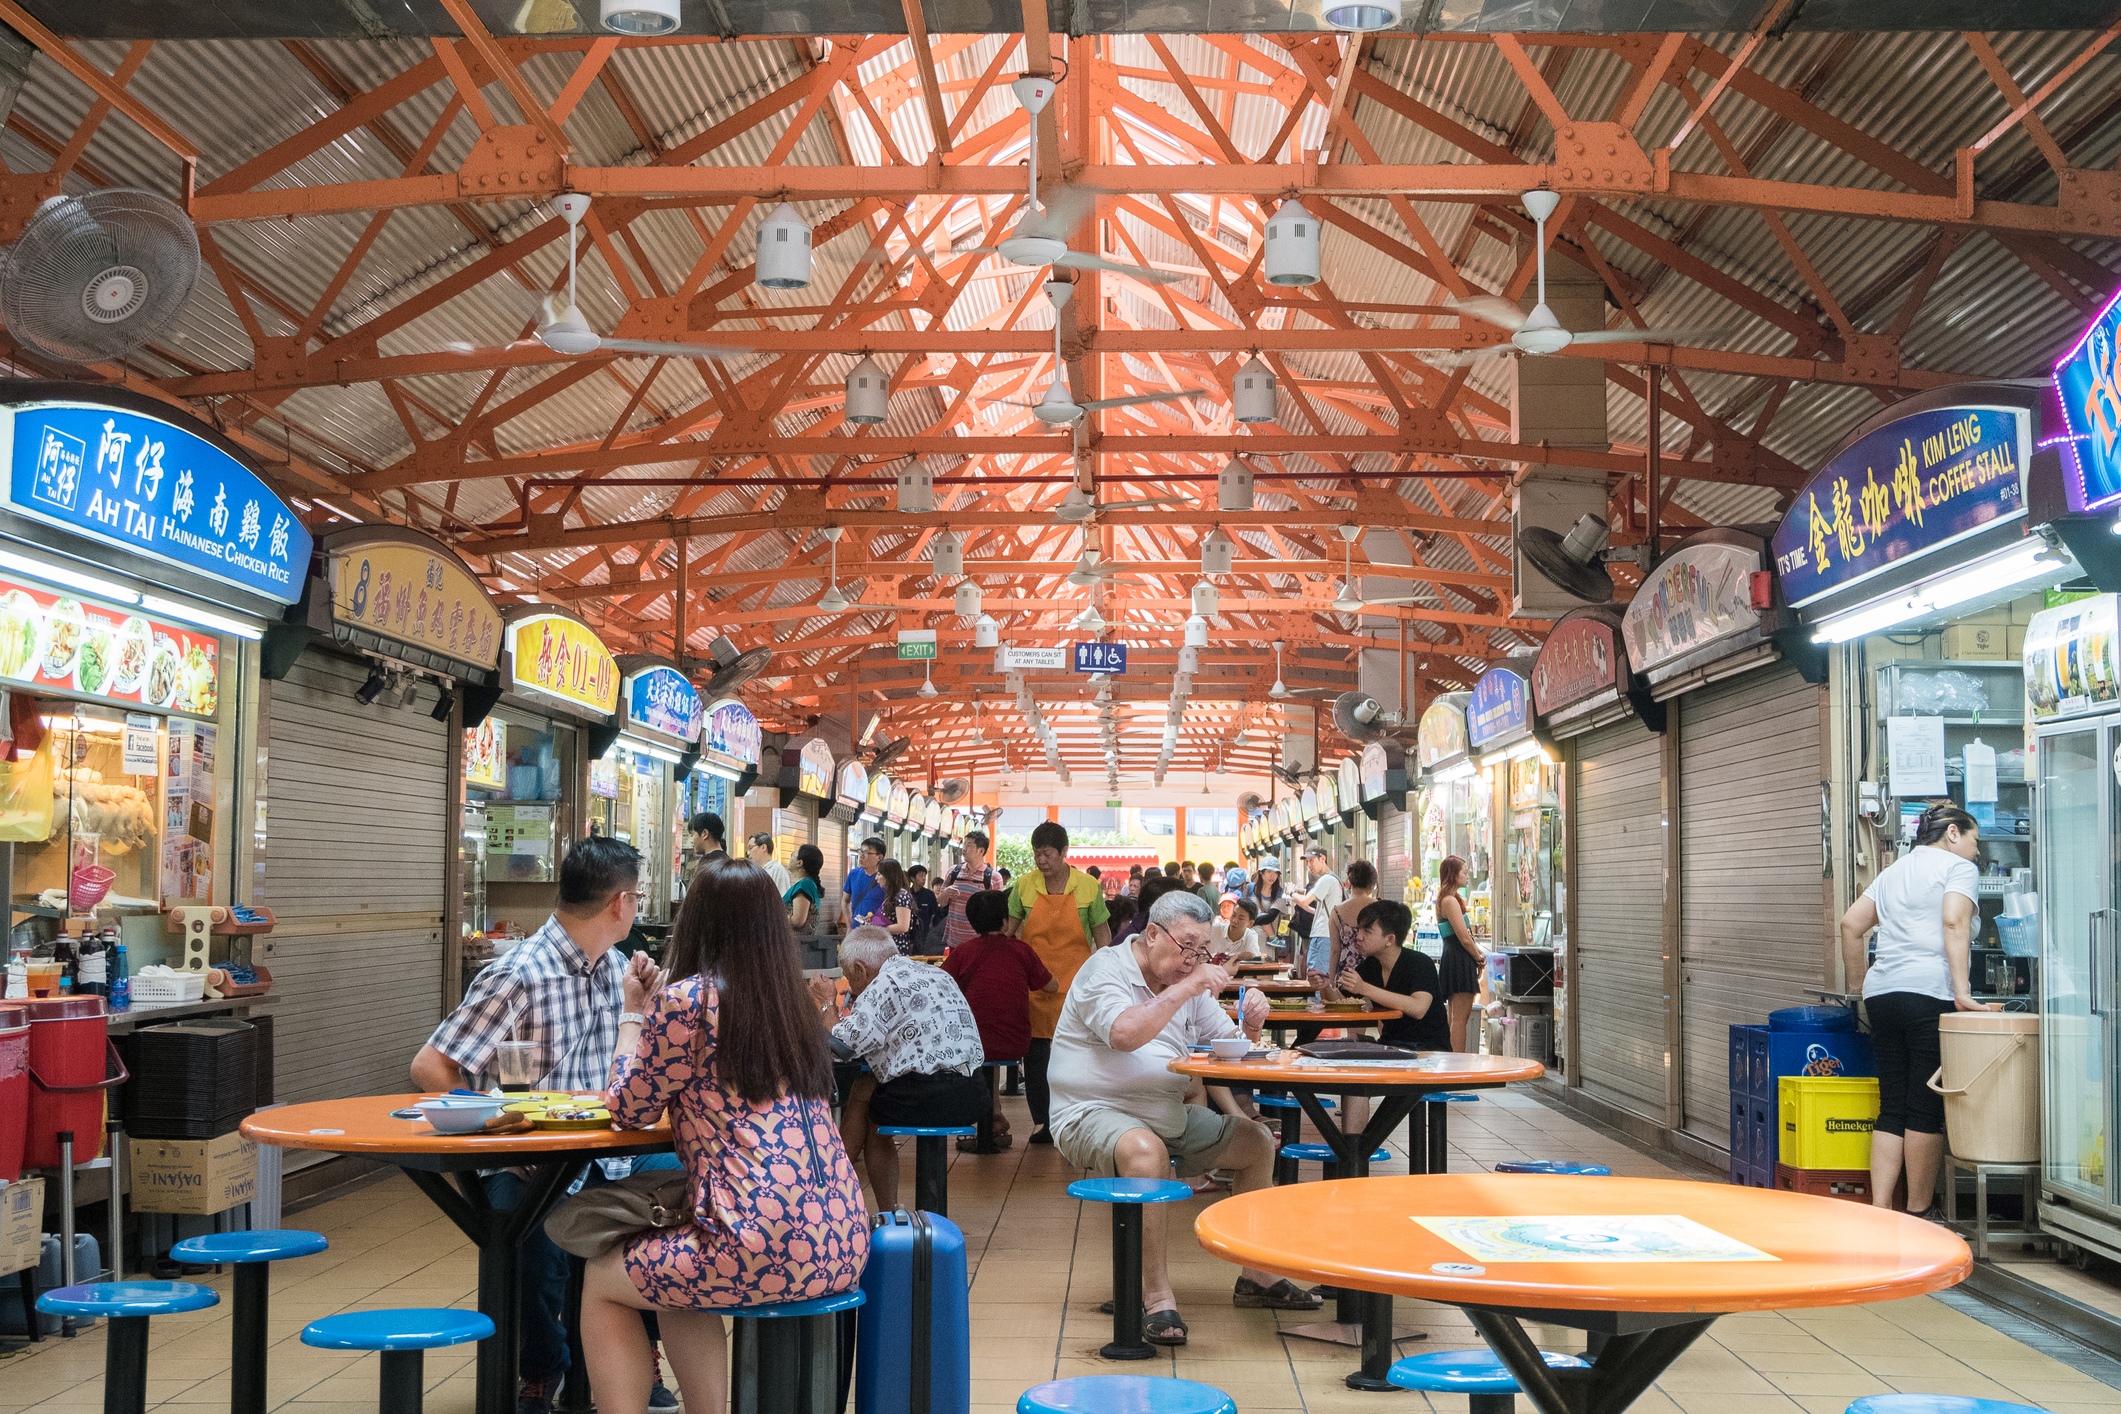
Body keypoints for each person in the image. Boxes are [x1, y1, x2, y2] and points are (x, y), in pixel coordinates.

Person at [581, 856, 868, 1414]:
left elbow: (627, 1107)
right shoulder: (795, 1007)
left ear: (696, 924)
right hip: (843, 1238)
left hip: (760, 1241)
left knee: (602, 1279)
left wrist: (634, 1014)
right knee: (670, 1274)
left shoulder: (686, 1001)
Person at [412, 837, 660, 1414]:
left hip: (604, 1152)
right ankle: (542, 1371)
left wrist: (644, 1003)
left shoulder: (615, 969)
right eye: (638, 897)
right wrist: (496, 1134)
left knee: (676, 1191)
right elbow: (431, 1066)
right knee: (531, 1243)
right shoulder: (520, 974)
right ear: (620, 903)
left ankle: (631, 1364)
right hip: (530, 1156)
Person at [1047, 891, 1322, 1344]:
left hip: (1165, 1111)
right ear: (1152, 933)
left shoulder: (1183, 977)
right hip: (1090, 1111)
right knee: (1144, 1151)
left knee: (1254, 1142)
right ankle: (1154, 1297)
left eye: (1200, 951)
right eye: (1187, 947)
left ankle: (1257, 1276)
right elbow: (1122, 1034)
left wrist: (1250, 1025)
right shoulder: (1104, 970)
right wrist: (1184, 988)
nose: (1193, 960)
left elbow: (1228, 1043)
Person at [1839, 804, 1997, 1219]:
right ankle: (1918, 1213)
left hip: (1884, 994)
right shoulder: (1958, 869)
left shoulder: (1895, 871)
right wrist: (1962, 992)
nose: (1977, 851)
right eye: (1974, 840)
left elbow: (1851, 925)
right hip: (1928, 992)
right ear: (1952, 835)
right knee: (1924, 1105)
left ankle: (1879, 1210)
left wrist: (1859, 988)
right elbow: (1953, 924)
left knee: (1892, 1103)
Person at [809, 926, 986, 1207]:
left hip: (932, 1095)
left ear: (860, 968)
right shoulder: (936, 974)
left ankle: (833, 1188)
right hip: (975, 1093)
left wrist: (826, 1003)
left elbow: (843, 1047)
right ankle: (859, 1198)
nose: (849, 984)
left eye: (848, 976)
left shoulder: (883, 983)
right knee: (869, 1092)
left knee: (866, 1100)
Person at [1005, 821, 1111, 1145]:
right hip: (1035, 984)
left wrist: (1106, 973)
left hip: (1077, 983)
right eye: (1036, 853)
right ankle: (1042, 1121)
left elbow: (1103, 936)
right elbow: (1010, 932)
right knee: (1035, 1054)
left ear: (1064, 852)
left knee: (1076, 1051)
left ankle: (1077, 1116)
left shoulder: (1088, 887)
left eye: (1047, 853)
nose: (1041, 860)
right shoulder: (1023, 886)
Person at [941, 889, 1056, 1149]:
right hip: (1016, 1042)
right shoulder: (1021, 950)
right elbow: (1049, 985)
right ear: (1006, 921)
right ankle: (992, 1114)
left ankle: (984, 1116)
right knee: (991, 1050)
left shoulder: (964, 951)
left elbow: (943, 983)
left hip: (971, 1042)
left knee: (980, 1050)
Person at [1331, 900, 1447, 1052]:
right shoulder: (1370, 965)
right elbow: (1340, 1003)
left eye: (1367, 931)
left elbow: (1418, 1008)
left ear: (1390, 939)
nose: (1358, 936)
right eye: (1359, 929)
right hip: (1391, 1046)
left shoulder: (1420, 963)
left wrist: (1364, 988)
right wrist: (1323, 986)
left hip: (1427, 1049)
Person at [1435, 855, 1484, 1051]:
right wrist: (1478, 956)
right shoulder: (1449, 900)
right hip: (1459, 958)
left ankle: (1451, 1059)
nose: (1467, 875)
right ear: (1453, 874)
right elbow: (1464, 937)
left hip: (1454, 957)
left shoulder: (1447, 898)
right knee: (1460, 1018)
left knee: (1454, 1016)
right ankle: (1457, 1061)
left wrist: (1476, 954)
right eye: (1464, 871)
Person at [939, 829, 1002, 951]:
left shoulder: (993, 878)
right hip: (954, 941)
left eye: (969, 845)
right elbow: (941, 903)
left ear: (981, 850)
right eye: (964, 845)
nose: (964, 849)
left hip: (981, 943)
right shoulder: (954, 872)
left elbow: (998, 913)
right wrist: (946, 893)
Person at [1289, 845, 1343, 978]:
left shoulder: (1326, 879)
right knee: (1318, 974)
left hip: (1323, 936)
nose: (1309, 865)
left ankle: (1317, 1000)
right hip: (1325, 933)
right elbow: (1316, 910)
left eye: (1312, 860)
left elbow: (1305, 901)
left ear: (1323, 859)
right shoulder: (1335, 879)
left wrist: (1290, 892)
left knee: (1317, 976)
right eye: (1307, 862)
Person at [1320, 860, 1379, 981]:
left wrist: (1331, 979)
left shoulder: (1336, 912)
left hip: (1346, 975)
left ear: (1350, 882)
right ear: (1372, 884)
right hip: (1375, 973)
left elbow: (1335, 950)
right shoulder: (1380, 909)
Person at [843, 836, 885, 929]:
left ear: (879, 857)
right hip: (856, 931)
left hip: (877, 932)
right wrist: (849, 925)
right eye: (860, 851)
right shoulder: (853, 874)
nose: (861, 856)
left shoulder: (885, 879)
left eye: (866, 853)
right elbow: (845, 900)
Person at [871, 858, 915, 947]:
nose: (876, 878)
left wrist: (878, 928)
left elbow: (903, 926)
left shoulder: (901, 895)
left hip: (896, 947)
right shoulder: (891, 895)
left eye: (879, 874)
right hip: (887, 945)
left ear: (889, 875)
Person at [784, 843, 825, 935]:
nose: (790, 857)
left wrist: (775, 917)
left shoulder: (804, 885)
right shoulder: (806, 884)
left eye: (793, 855)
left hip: (798, 943)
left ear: (800, 863)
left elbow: (798, 920)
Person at [907, 865, 942, 951]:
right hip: (909, 933)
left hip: (925, 934)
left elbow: (935, 914)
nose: (924, 878)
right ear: (912, 878)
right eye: (920, 875)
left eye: (924, 876)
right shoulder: (907, 894)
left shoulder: (929, 894)